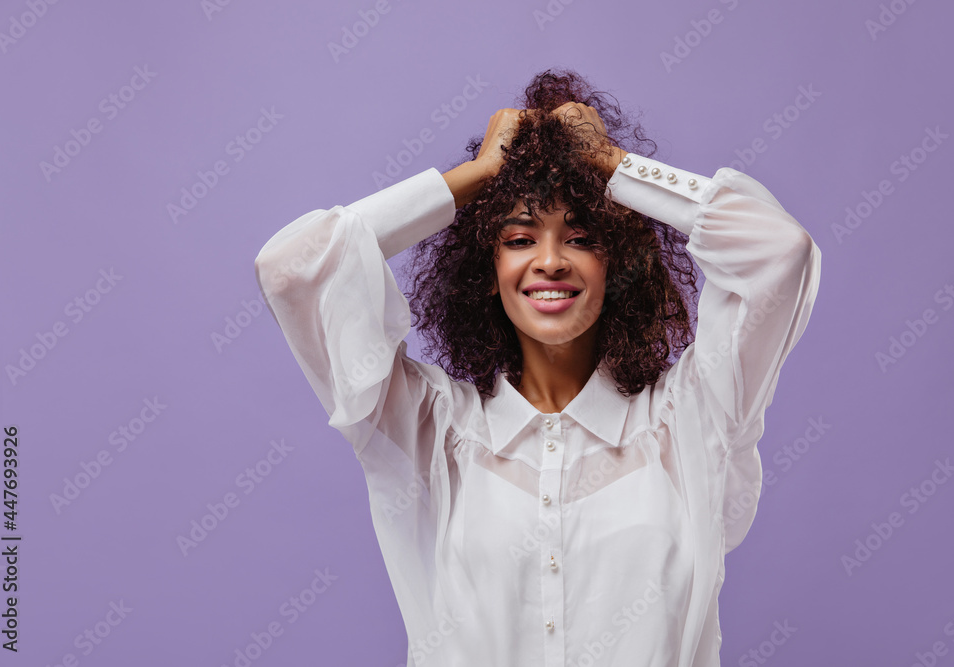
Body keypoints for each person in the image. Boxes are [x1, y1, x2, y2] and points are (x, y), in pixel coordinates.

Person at [253, 68, 821, 667]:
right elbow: (293, 270)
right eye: (520, 239)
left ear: (617, 260)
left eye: (578, 236)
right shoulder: (431, 434)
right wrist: (474, 178)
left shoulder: (690, 421)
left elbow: (780, 253)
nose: (549, 261)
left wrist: (610, 163)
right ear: (486, 268)